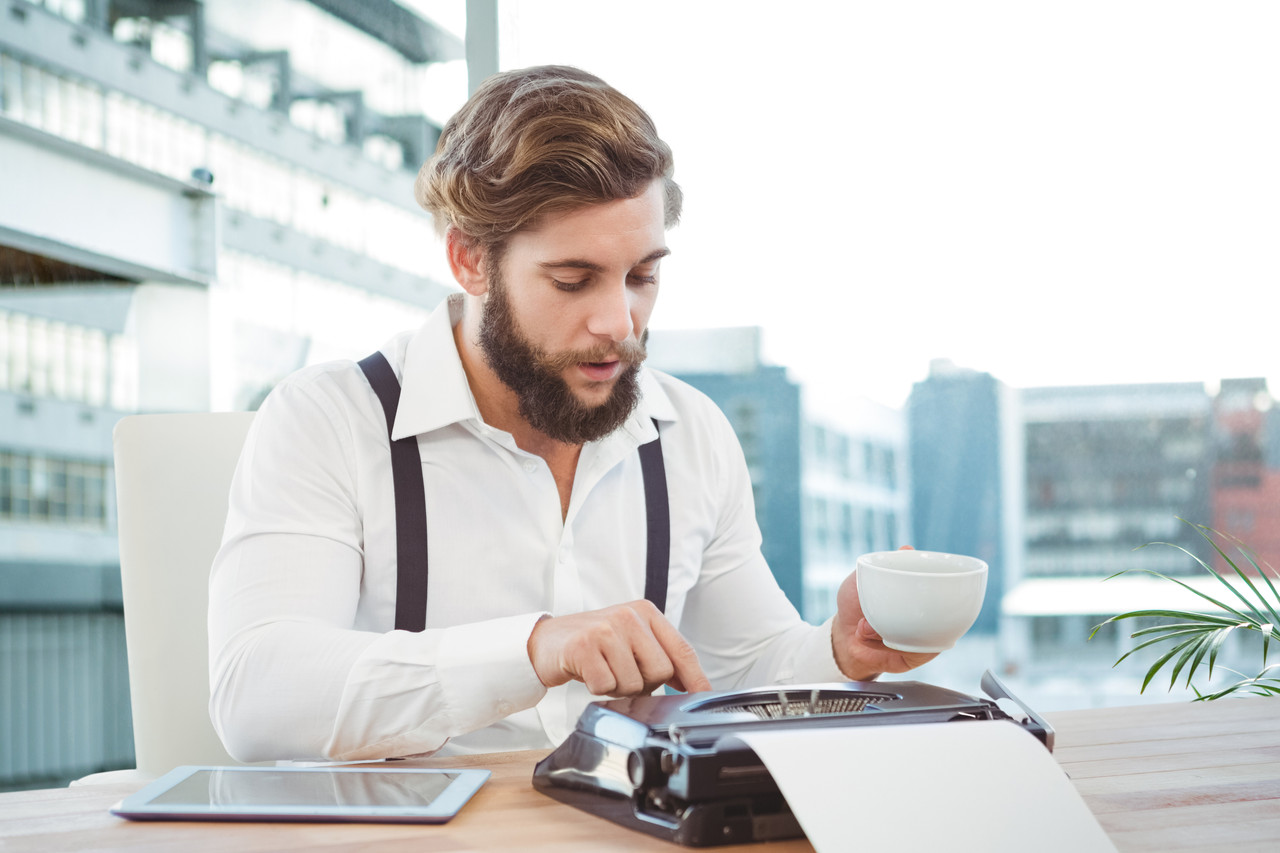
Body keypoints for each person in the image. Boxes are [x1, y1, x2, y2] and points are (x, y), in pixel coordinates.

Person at [208, 65, 934, 763]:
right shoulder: (327, 419)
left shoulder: (693, 433)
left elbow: (746, 667)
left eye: (643, 276)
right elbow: (256, 694)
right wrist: (533, 647)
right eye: (573, 279)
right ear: (470, 260)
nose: (620, 322)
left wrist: (839, 649)